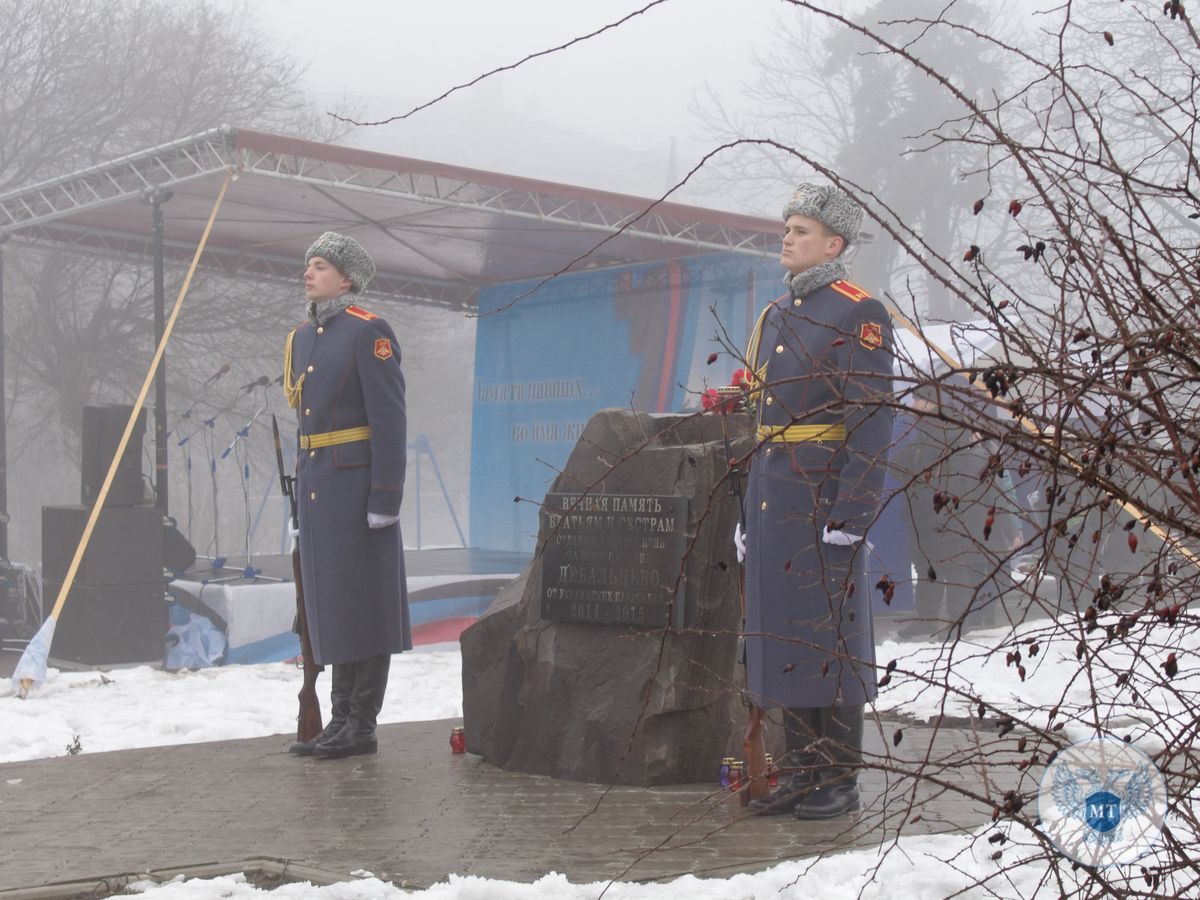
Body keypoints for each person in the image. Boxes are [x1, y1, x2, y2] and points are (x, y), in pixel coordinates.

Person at [734, 183, 895, 819]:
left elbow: (871, 420)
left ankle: (838, 775)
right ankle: (801, 770)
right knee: (785, 633)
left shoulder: (858, 312)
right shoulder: (777, 313)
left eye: (800, 230)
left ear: (834, 243)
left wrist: (851, 515)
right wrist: (751, 509)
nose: (787, 237)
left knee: (829, 633)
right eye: (787, 227)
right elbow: (761, 417)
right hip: (775, 491)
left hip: (823, 492)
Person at [282, 231, 412, 759]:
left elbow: (389, 419)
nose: (308, 273)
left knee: (366, 605)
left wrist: (385, 496)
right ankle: (338, 720)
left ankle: (362, 723)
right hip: (319, 490)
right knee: (332, 605)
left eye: (319, 265)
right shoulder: (303, 337)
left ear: (347, 278)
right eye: (307, 265)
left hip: (359, 489)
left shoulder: (368, 331)